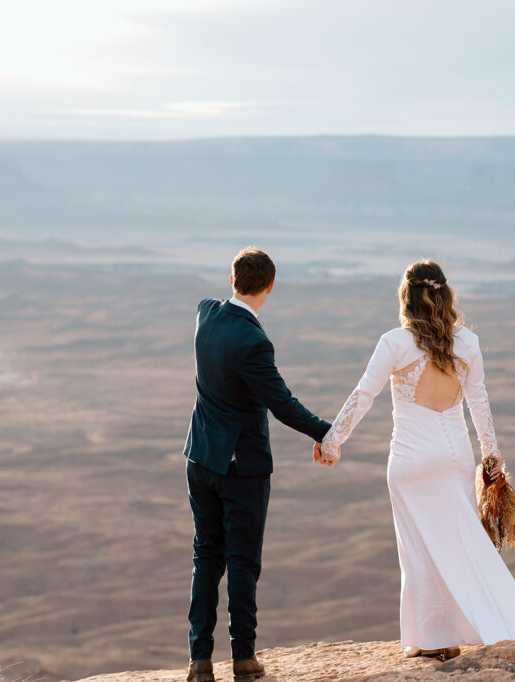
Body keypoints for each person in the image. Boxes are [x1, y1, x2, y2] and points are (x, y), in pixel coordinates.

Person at [317, 259, 515, 659]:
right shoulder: (468, 345)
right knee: (460, 543)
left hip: (410, 461)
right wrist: (491, 457)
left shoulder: (394, 342)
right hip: (455, 456)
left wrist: (332, 440)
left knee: (418, 549)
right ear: (445, 296)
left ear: (407, 299)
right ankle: (479, 626)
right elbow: (479, 402)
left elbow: (363, 394)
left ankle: (433, 638)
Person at [183, 247, 334, 682]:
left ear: (232, 280)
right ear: (270, 286)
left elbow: (207, 304)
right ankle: (244, 658)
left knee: (206, 556)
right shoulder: (254, 342)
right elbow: (281, 403)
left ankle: (199, 660)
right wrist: (327, 431)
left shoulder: (204, 315)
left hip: (199, 457)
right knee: (243, 560)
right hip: (240, 466)